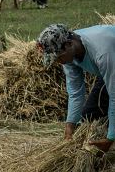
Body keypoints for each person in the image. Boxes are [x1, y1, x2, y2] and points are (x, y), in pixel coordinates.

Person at [37, 23, 115, 152]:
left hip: (111, 60)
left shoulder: (102, 52)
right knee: (88, 117)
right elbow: (75, 92)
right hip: (111, 68)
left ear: (69, 44)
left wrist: (111, 138)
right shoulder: (68, 53)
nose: (59, 62)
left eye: (59, 57)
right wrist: (70, 126)